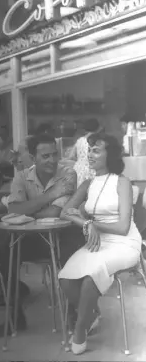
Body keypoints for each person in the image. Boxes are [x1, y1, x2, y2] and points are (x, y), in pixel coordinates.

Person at [0, 134, 80, 337]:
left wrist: (27, 209)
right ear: (33, 157)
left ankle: (74, 313)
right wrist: (50, 195)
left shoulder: (68, 174)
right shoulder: (22, 176)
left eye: (54, 154)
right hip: (34, 238)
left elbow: (54, 213)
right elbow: (13, 208)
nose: (51, 160)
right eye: (45, 156)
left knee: (69, 254)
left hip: (62, 236)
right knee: (3, 247)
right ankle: (15, 314)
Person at [59, 133, 142, 355]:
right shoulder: (88, 183)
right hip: (98, 242)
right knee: (66, 278)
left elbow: (123, 227)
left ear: (110, 155)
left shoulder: (122, 182)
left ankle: (80, 330)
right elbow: (65, 211)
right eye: (90, 149)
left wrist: (93, 223)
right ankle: (92, 314)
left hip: (124, 243)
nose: (90, 154)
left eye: (96, 150)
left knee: (90, 277)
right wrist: (86, 223)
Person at [68, 118, 101, 186]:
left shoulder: (80, 140)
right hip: (91, 171)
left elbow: (71, 156)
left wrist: (81, 160)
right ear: (97, 128)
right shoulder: (97, 141)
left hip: (78, 171)